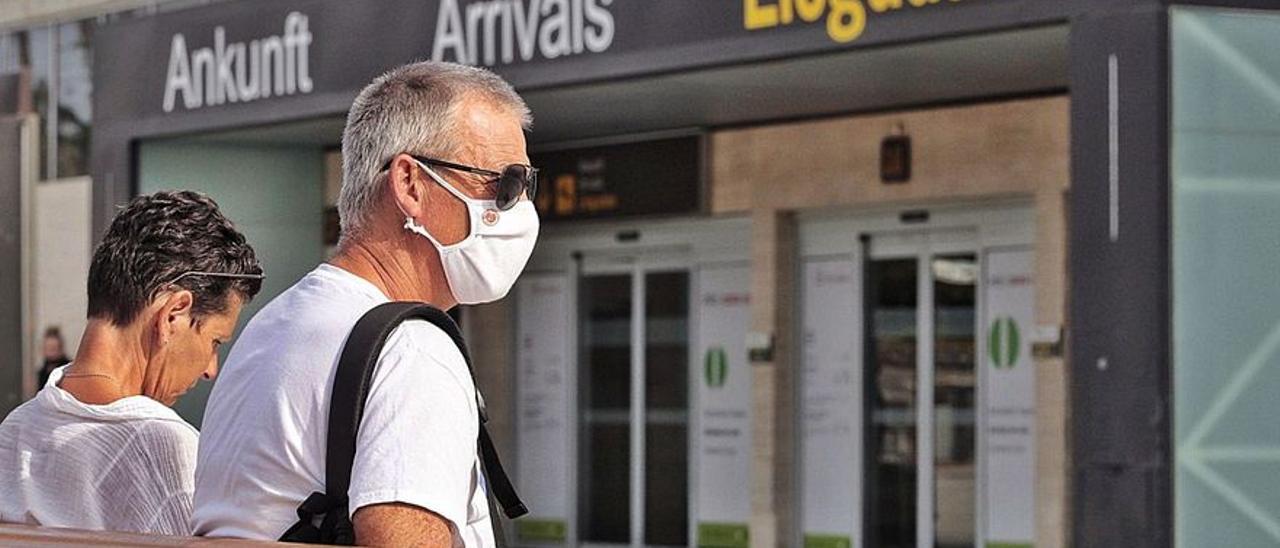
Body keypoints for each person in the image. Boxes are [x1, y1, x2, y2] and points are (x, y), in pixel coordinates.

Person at [193, 61, 538, 547]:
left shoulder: (271, 326)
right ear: (411, 185)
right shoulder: (411, 349)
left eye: (525, 186)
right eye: (504, 184)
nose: (519, 208)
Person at [0, 190, 263, 536]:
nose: (210, 369)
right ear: (173, 314)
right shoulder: (163, 447)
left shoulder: (15, 432)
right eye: (215, 342)